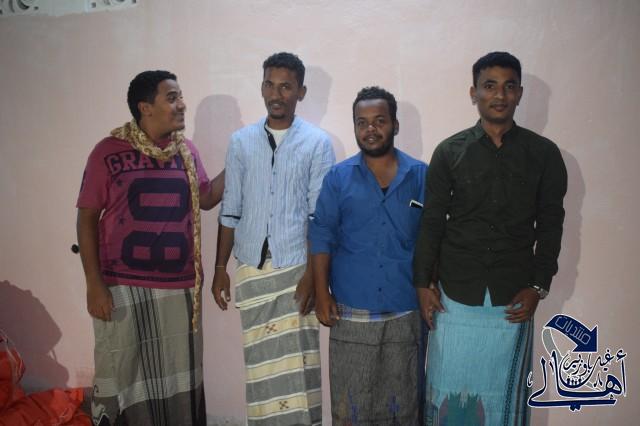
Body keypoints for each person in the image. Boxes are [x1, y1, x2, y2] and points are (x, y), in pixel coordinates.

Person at [413, 52, 568, 425]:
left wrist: (538, 286)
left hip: (512, 297)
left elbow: (551, 225)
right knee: (447, 390)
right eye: (490, 86)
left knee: (504, 397)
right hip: (454, 295)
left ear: (519, 93)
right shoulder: (450, 152)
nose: (500, 95)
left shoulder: (544, 154)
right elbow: (432, 222)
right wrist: (422, 283)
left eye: (509, 86)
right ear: (474, 93)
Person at [76, 70, 224, 426]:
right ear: (146, 107)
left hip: (179, 288)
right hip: (122, 288)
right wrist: (94, 284)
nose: (182, 104)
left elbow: (205, 198)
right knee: (123, 376)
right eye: (172, 97)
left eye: (180, 96)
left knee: (179, 378)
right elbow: (86, 218)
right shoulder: (107, 152)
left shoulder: (186, 151)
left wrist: (240, 163)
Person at [211, 52, 334, 426]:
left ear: (301, 92)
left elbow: (319, 218)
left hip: (297, 270)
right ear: (262, 87)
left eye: (286, 86)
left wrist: (313, 276)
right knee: (261, 368)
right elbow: (230, 209)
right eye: (270, 84)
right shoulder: (241, 142)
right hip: (251, 270)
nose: (276, 94)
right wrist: (220, 268)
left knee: (298, 366)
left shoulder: (317, 144)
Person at [310, 86, 428, 425]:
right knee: (352, 405)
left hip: (405, 308)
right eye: (362, 122)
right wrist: (321, 293)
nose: (370, 129)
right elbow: (321, 234)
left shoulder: (421, 175)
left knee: (403, 406)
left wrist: (430, 287)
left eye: (379, 120)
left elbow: (432, 236)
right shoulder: (338, 177)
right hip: (352, 310)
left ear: (395, 125)